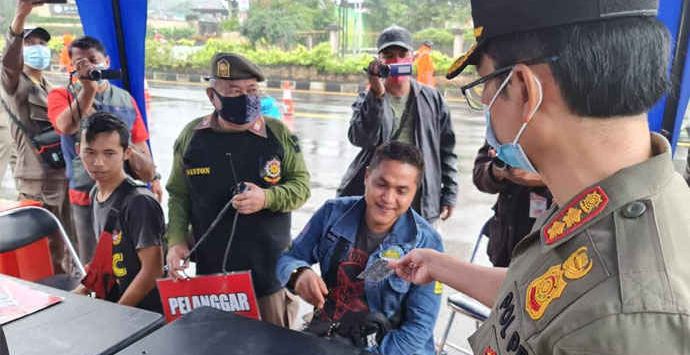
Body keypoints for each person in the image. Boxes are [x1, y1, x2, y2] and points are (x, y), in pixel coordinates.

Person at [389, 0, 690, 353]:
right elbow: (547, 298)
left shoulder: (629, 319)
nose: (485, 101)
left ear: (522, 88)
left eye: (484, 85)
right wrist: (438, 265)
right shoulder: (596, 200)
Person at [165, 53, 310, 328]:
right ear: (212, 96)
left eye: (252, 90)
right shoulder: (192, 138)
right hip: (213, 274)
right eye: (234, 92)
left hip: (268, 275)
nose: (245, 98)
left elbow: (301, 187)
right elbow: (178, 195)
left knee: (273, 346)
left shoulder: (277, 135)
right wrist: (175, 241)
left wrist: (267, 197)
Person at [277, 141, 443, 354]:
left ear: (414, 192)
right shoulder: (331, 214)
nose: (388, 198)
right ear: (366, 177)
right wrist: (298, 273)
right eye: (381, 184)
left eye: (401, 191)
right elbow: (287, 259)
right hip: (329, 335)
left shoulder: (428, 243)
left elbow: (419, 328)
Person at [47, 35, 158, 264]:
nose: (87, 66)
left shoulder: (125, 99)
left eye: (92, 60)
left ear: (106, 61)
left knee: (127, 259)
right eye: (80, 62)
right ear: (71, 66)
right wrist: (87, 89)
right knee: (91, 261)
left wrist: (153, 178)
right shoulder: (61, 95)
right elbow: (65, 125)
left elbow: (142, 149)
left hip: (125, 195)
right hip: (85, 196)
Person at [338, 25, 458, 225]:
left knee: (420, 254)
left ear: (412, 57)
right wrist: (376, 95)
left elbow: (446, 149)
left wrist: (450, 192)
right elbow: (359, 138)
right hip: (380, 196)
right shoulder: (368, 97)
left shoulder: (432, 99)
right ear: (379, 61)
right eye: (389, 55)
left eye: (403, 54)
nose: (397, 61)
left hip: (421, 197)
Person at [1, 0, 73, 272]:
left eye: (42, 43)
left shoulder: (53, 88)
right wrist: (21, 16)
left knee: (66, 248)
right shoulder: (14, 85)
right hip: (36, 183)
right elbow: (9, 61)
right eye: (30, 43)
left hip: (63, 179)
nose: (38, 48)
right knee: (40, 252)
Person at [74, 112, 164, 313]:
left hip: (142, 313)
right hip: (114, 302)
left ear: (126, 153)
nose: (98, 162)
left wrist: (118, 313)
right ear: (78, 151)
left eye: (109, 153)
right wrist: (81, 290)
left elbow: (152, 270)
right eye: (90, 152)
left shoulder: (139, 202)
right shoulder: (96, 193)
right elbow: (107, 257)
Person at [472, 142, 552, 266]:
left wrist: (545, 178)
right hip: (505, 245)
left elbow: (587, 176)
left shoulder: (578, 127)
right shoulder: (502, 125)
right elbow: (479, 175)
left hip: (552, 246)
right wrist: (495, 172)